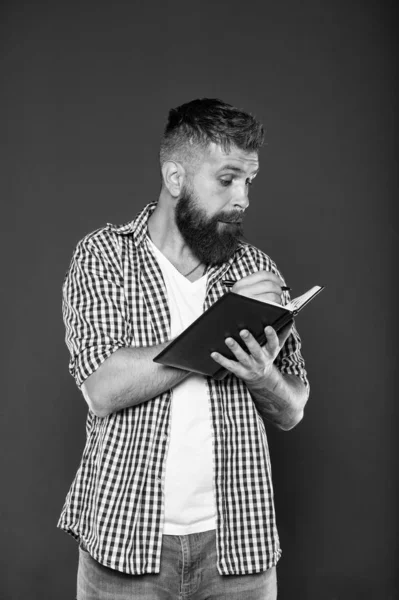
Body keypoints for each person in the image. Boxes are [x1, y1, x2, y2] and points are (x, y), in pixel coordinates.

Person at [59, 98, 309, 600]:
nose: (242, 198)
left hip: (240, 550)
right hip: (124, 545)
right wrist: (223, 322)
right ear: (175, 177)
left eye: (248, 182)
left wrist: (262, 376)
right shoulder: (104, 257)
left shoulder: (255, 270)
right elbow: (104, 388)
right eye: (227, 179)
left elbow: (294, 408)